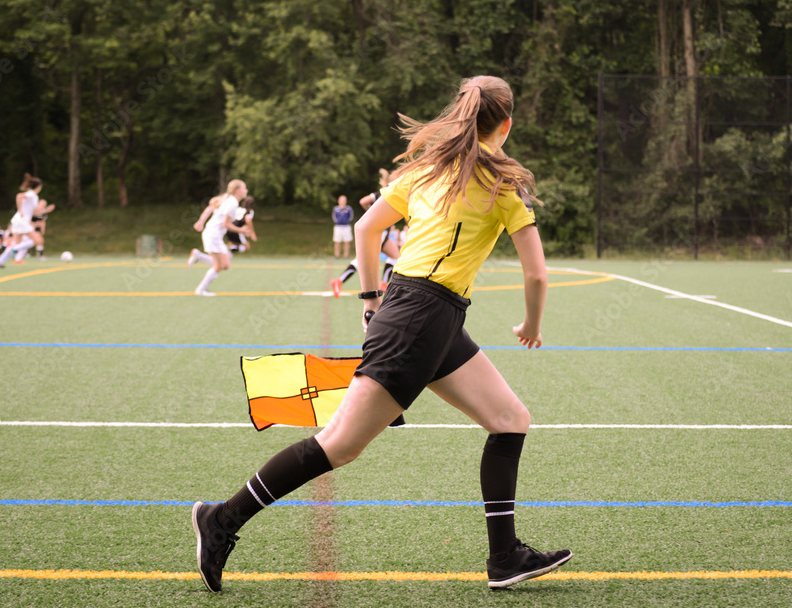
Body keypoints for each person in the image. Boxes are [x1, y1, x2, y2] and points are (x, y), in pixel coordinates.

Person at [192, 76, 570, 592]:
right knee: (341, 444)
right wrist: (532, 324)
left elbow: (368, 231)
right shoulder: (504, 182)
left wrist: (371, 301)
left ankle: (504, 556)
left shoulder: (426, 169)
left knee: (509, 419)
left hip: (424, 312)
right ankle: (221, 520)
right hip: (422, 317)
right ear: (505, 125)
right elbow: (538, 274)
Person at [187, 180, 250, 296]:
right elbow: (225, 224)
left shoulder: (230, 200)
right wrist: (241, 230)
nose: (246, 190)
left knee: (225, 265)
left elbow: (210, 208)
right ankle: (200, 290)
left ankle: (199, 256)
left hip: (214, 235)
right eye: (244, 188)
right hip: (213, 235)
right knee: (219, 266)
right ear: (237, 190)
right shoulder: (232, 203)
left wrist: (201, 222)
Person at [0, 173, 46, 268]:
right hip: (22, 220)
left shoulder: (34, 196)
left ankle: (0, 261)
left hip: (19, 220)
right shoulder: (31, 194)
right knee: (36, 241)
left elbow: (34, 212)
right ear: (39, 186)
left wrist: (46, 210)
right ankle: (15, 249)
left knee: (17, 242)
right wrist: (20, 210)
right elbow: (19, 196)